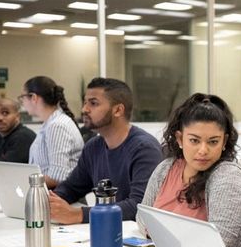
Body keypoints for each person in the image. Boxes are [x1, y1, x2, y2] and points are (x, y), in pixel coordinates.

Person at [136, 94, 241, 247]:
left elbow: (217, 244)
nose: (203, 150)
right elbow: (142, 219)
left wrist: (163, 234)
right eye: (194, 140)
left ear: (224, 141)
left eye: (213, 142)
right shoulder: (165, 169)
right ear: (180, 139)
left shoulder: (229, 177)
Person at [49, 78, 162, 224]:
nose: (84, 109)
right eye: (85, 102)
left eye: (93, 103)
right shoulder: (93, 146)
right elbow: (72, 187)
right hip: (104, 229)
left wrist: (77, 215)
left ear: (117, 110)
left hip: (134, 237)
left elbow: (139, 206)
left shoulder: (145, 149)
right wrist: (49, 202)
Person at [20, 76, 84, 188]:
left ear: (34, 97)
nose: (22, 103)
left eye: (23, 97)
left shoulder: (57, 125)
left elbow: (57, 177)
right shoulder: (50, 123)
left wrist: (20, 181)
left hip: (62, 198)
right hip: (49, 194)